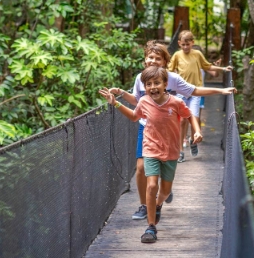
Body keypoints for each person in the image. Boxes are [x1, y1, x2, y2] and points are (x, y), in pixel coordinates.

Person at [107, 41, 235, 221]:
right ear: (145, 60)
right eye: (150, 57)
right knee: (141, 167)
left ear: (165, 62)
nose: (153, 61)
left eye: (157, 58)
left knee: (163, 171)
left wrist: (220, 91)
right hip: (147, 126)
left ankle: (162, 193)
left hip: (168, 130)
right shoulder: (141, 78)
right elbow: (137, 101)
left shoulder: (172, 78)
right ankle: (145, 205)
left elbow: (194, 90)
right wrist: (120, 93)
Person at [100, 66, 201, 243]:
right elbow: (134, 116)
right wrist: (115, 103)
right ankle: (151, 227)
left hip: (171, 152)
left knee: (165, 191)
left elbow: (190, 115)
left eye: (156, 83)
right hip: (151, 149)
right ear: (144, 87)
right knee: (152, 185)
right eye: (148, 84)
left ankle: (158, 204)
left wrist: (197, 131)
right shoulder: (144, 102)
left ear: (165, 84)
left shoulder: (176, 102)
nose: (152, 87)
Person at [168, 30, 231, 162]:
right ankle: (180, 151)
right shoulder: (177, 55)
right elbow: (169, 70)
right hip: (181, 91)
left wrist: (223, 69)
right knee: (182, 121)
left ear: (192, 43)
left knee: (194, 119)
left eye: (188, 44)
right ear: (179, 43)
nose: (185, 47)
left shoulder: (197, 54)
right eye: (183, 44)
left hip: (196, 91)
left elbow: (207, 66)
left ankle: (193, 140)